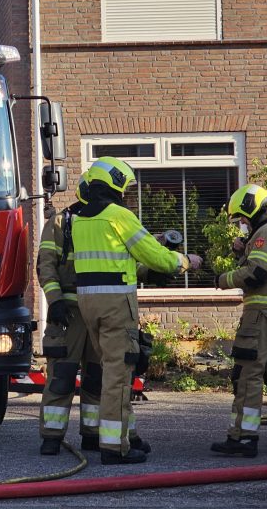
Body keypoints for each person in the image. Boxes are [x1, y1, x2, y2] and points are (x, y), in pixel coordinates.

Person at [71, 157, 201, 465]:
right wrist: (184, 261)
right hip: (116, 306)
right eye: (126, 186)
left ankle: (124, 437)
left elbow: (113, 258)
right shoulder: (119, 215)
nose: (128, 193)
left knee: (109, 371)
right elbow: (156, 257)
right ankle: (115, 448)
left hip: (89, 306)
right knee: (119, 375)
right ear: (115, 183)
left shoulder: (80, 220)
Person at [211, 184, 267, 457]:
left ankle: (242, 437)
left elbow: (257, 274)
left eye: (242, 216)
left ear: (253, 208)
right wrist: (242, 251)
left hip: (261, 317)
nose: (242, 222)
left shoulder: (265, 233)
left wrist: (222, 280)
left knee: (247, 376)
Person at [37, 173, 102, 456]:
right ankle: (52, 437)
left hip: (99, 312)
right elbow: (46, 266)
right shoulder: (61, 223)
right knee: (61, 375)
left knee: (97, 378)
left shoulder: (107, 223)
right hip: (69, 314)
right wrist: (55, 300)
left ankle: (93, 434)